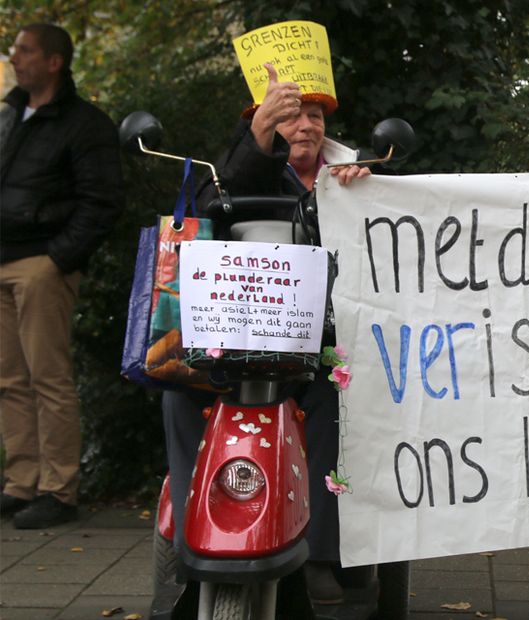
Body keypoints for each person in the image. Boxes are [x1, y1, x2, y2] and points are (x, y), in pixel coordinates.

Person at [162, 63, 370, 605]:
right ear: (264, 119)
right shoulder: (237, 164)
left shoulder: (354, 174)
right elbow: (213, 205)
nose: (306, 124)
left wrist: (363, 195)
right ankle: (192, 531)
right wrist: (258, 142)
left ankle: (323, 551)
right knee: (179, 394)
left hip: (322, 337)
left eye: (316, 114)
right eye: (293, 112)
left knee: (336, 399)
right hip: (238, 335)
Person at [0, 23, 123, 529]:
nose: (14, 57)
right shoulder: (11, 114)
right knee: (9, 379)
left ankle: (59, 489)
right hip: (4, 258)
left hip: (41, 266)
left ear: (55, 62)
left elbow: (103, 202)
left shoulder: (84, 123)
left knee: (47, 377)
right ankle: (20, 483)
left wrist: (58, 259)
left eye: (25, 50)